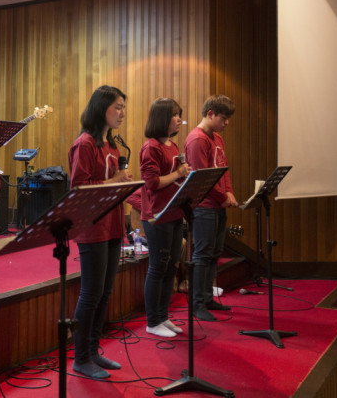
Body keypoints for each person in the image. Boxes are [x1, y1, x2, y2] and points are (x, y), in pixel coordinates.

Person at [68, 85, 133, 379]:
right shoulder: (84, 144)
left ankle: (93, 350)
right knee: (91, 293)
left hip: (113, 224)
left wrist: (124, 184)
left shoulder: (112, 144)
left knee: (105, 292)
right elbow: (79, 189)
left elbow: (111, 183)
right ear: (100, 108)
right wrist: (114, 181)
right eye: (117, 107)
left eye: (123, 107)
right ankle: (81, 358)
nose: (122, 113)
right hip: (92, 227)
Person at [139, 98, 191, 337]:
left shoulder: (173, 145)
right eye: (174, 115)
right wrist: (179, 173)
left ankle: (162, 316)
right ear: (162, 118)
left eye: (179, 115)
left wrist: (184, 175)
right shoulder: (151, 147)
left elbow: (174, 178)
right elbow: (152, 183)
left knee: (171, 267)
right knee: (158, 267)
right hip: (157, 215)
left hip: (174, 212)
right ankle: (152, 321)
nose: (179, 119)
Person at [183, 94, 238, 322]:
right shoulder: (197, 139)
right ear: (210, 114)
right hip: (204, 206)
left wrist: (229, 192)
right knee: (203, 253)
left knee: (214, 253)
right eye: (223, 118)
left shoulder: (217, 138)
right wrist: (222, 196)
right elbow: (202, 177)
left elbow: (223, 170)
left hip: (218, 204)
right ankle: (197, 304)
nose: (226, 123)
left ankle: (207, 298)